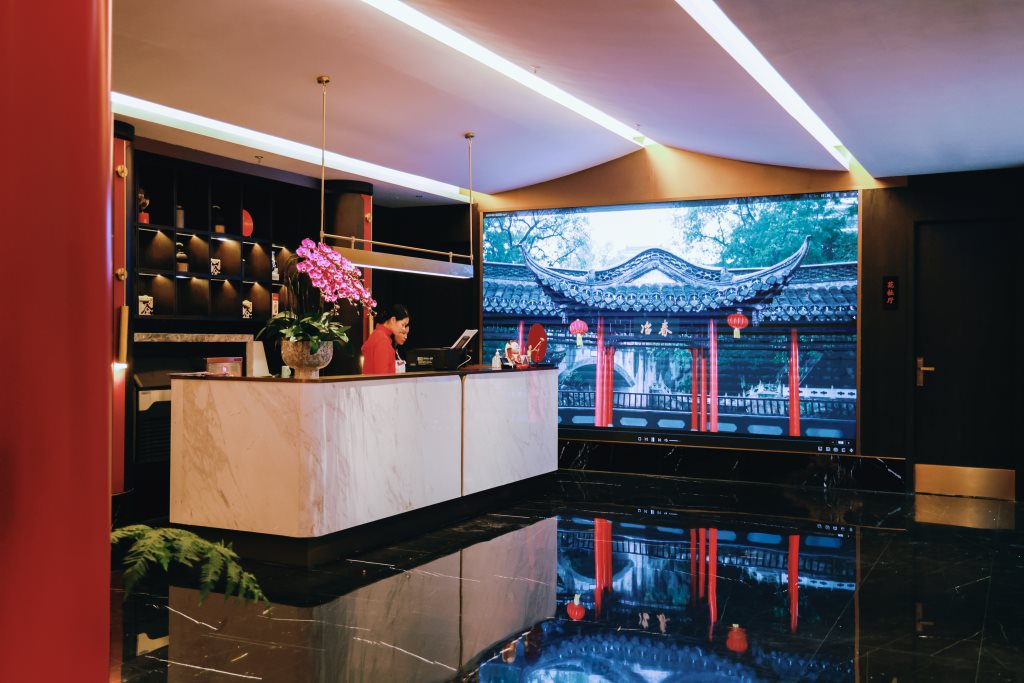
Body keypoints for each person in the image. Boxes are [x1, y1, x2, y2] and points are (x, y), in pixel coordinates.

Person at [362, 303, 410, 375]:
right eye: (402, 324)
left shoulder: (378, 334)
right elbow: (382, 376)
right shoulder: (382, 339)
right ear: (393, 320)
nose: (403, 329)